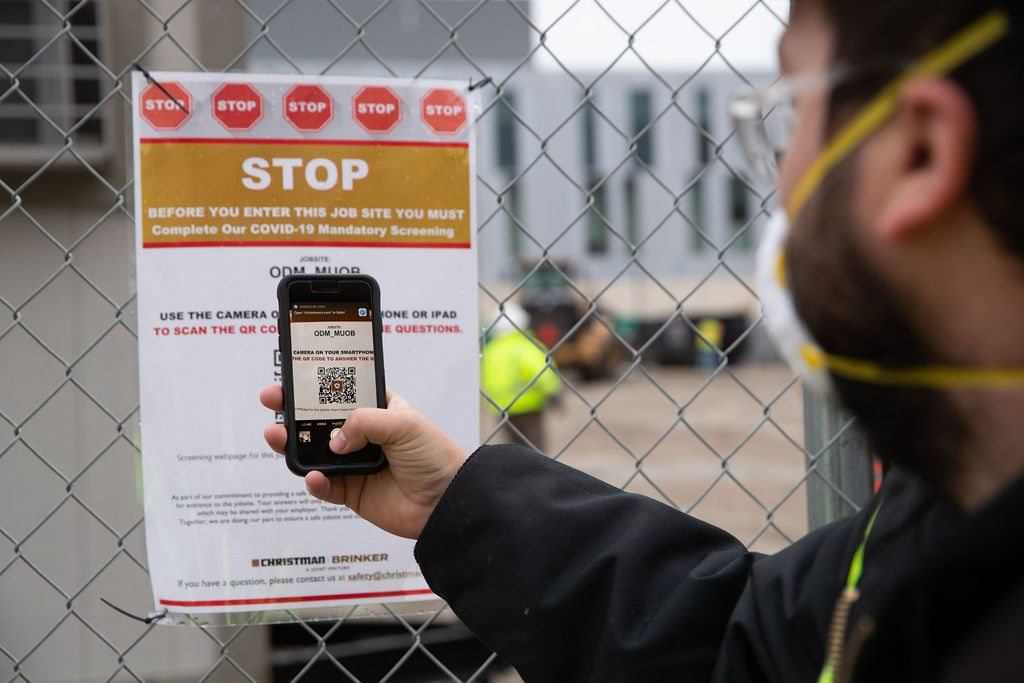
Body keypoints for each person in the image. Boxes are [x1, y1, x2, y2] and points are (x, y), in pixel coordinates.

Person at [261, 1, 1024, 679]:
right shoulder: (948, 512)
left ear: (920, 151)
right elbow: (737, 643)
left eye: (788, 112)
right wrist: (457, 504)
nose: (778, 175)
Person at [480, 303, 562, 452]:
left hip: (502, 406)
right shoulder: (525, 345)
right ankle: (537, 473)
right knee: (534, 445)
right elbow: (541, 372)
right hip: (529, 405)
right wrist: (553, 392)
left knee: (513, 447)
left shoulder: (492, 350)